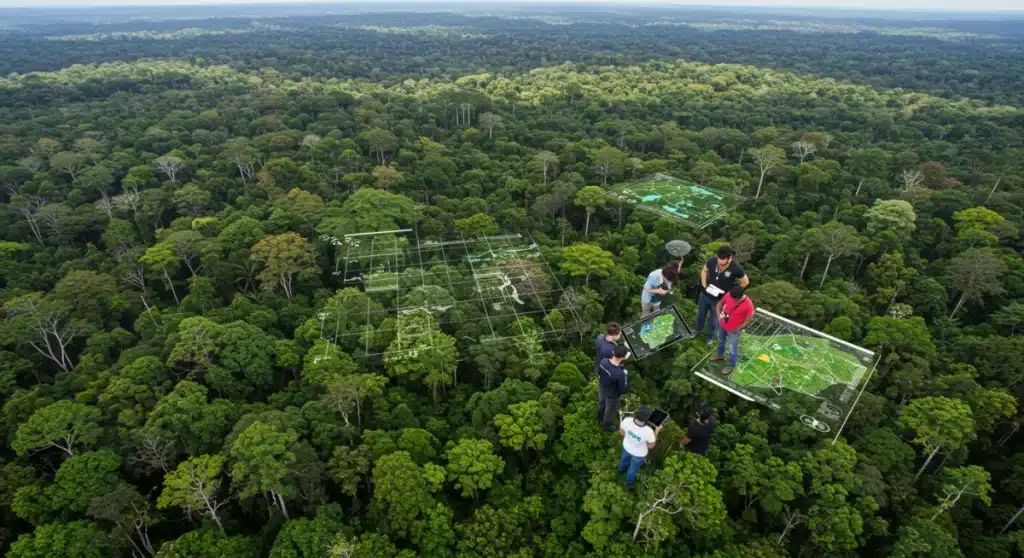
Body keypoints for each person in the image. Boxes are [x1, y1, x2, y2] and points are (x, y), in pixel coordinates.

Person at [696, 246, 749, 345]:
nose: (719, 263)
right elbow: (704, 271)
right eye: (718, 259)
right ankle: (697, 331)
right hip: (705, 296)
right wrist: (704, 285)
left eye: (722, 261)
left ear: (729, 258)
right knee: (700, 316)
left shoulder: (735, 267)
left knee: (713, 322)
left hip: (719, 301)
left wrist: (732, 292)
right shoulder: (712, 261)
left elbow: (745, 282)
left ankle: (709, 338)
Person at [713, 285, 755, 375]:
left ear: (741, 296)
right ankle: (719, 355)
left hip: (734, 330)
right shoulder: (729, 295)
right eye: (732, 298)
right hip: (723, 324)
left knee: (732, 348)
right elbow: (720, 304)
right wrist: (718, 316)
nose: (734, 300)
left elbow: (748, 320)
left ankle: (731, 366)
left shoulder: (748, 305)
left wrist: (739, 328)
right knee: (720, 340)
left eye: (736, 299)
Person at [618, 406, 661, 488]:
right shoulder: (649, 431)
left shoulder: (627, 420)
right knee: (632, 469)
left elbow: (622, 433)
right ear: (647, 419)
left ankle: (621, 470)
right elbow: (651, 446)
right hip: (639, 454)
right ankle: (629, 483)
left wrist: (631, 436)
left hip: (626, 447)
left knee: (623, 460)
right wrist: (656, 431)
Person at [597, 345, 630, 431]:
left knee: (602, 404)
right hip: (612, 395)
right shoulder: (620, 374)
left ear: (613, 352)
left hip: (602, 387)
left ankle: (600, 418)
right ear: (624, 357)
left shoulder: (604, 361)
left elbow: (600, 372)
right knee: (610, 411)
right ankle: (606, 425)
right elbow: (623, 390)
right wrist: (625, 376)